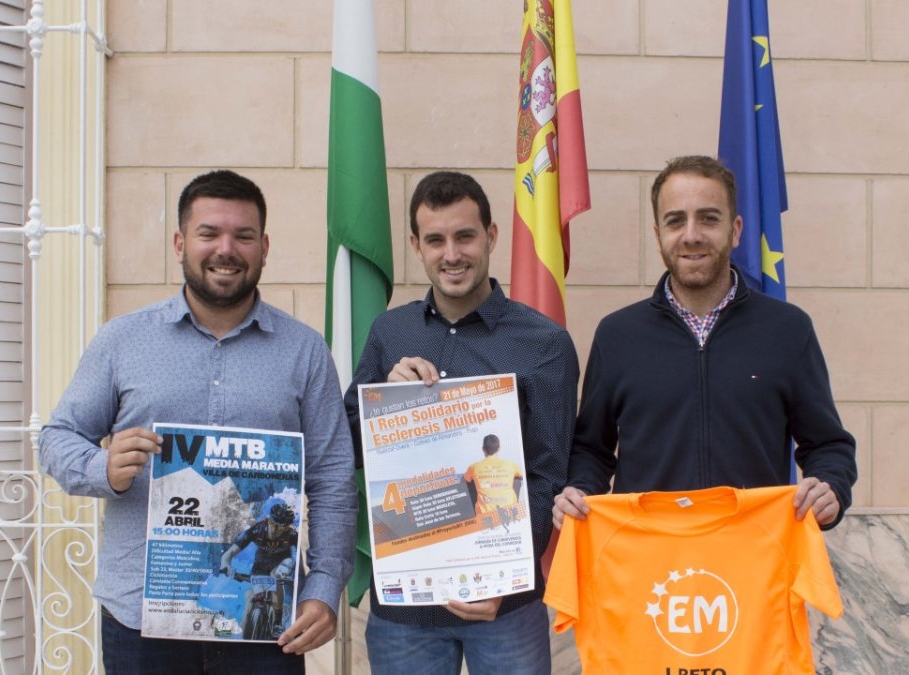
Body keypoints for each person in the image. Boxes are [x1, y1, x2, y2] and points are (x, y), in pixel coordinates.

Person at [40, 170, 356, 674]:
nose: (225, 248)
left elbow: (334, 479)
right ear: (180, 242)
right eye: (209, 233)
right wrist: (102, 467)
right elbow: (56, 438)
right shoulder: (123, 341)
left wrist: (323, 590)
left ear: (265, 247)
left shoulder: (304, 351)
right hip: (141, 616)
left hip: (262, 615)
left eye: (243, 235)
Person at [345, 171, 579, 674]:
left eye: (465, 236)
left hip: (505, 607)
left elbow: (546, 473)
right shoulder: (391, 331)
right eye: (435, 240)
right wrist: (383, 400)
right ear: (416, 246)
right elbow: (346, 445)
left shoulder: (545, 343)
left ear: (491, 236)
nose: (451, 254)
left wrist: (504, 575)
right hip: (406, 609)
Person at [553, 155, 857, 532]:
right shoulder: (617, 335)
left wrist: (830, 488)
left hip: (756, 558)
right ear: (657, 233)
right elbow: (592, 451)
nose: (692, 234)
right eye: (675, 220)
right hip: (649, 562)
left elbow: (829, 446)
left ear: (736, 230)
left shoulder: (788, 330)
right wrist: (579, 490)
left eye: (709, 218)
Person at [218, 502, 299, 639]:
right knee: (255, 595)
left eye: (280, 528)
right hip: (261, 565)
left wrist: (293, 573)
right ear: (268, 520)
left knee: (276, 577)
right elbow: (229, 553)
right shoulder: (257, 529)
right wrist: (225, 565)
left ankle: (277, 623)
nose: (274, 530)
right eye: (273, 524)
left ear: (287, 528)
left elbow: (297, 557)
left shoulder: (292, 534)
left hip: (281, 563)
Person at [463, 434, 524, 526]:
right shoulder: (510, 465)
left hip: (484, 517)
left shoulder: (474, 467)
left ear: (483, 449)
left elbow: (465, 480)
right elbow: (522, 475)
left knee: (470, 482)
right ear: (499, 449)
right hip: (508, 515)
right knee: (517, 479)